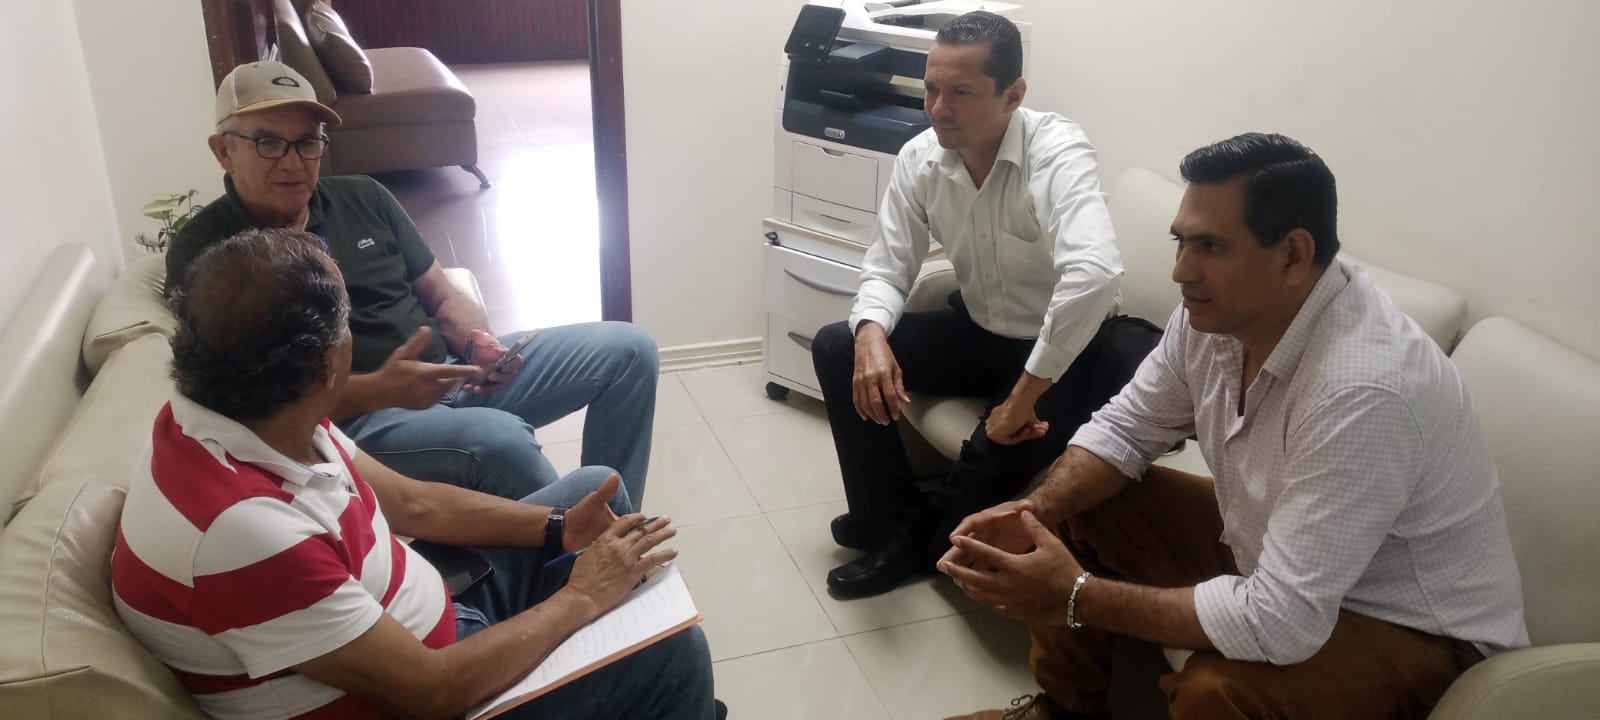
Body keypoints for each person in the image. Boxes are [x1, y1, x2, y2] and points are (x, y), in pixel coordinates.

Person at [940, 133, 1528, 720]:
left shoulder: (1363, 389)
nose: (1181, 271)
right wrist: (1031, 512)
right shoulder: (1215, 319)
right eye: (1180, 241)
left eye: (1210, 246)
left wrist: (1075, 595)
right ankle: (1063, 713)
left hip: (1418, 633)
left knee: (1216, 692)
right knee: (1079, 502)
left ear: (1293, 255)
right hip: (1282, 564)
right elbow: (1126, 430)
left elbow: (1282, 621)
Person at [113, 228, 721, 720]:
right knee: (674, 654)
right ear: (328, 367)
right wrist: (585, 594)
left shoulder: (249, 411)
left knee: (593, 486)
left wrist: (559, 526)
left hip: (435, 614)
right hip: (436, 693)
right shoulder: (238, 530)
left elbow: (415, 504)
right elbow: (430, 691)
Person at [167, 60, 658, 506]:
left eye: (308, 142)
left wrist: (476, 342)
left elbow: (442, 292)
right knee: (503, 440)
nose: (294, 162)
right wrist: (382, 389)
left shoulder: (363, 196)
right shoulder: (211, 255)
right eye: (270, 143)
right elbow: (255, 403)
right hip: (360, 419)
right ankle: (581, 553)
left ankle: (615, 519)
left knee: (629, 350)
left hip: (450, 373)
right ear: (224, 151)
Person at [810, 11, 1159, 599]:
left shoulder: (1057, 150)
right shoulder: (921, 158)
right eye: (931, 89)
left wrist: (1022, 399)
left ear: (1012, 95)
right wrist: (870, 335)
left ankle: (916, 546)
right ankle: (885, 517)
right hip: (982, 331)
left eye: (961, 93)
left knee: (1000, 441)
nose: (938, 108)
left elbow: (1094, 273)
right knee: (838, 345)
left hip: (1064, 351)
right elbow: (889, 264)